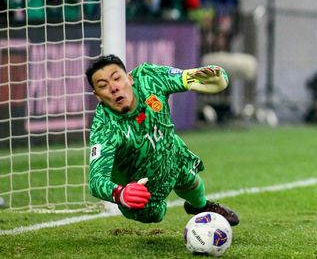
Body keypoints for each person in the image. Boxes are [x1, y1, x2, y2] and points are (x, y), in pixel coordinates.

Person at [85, 54, 240, 225]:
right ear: (97, 95)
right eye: (103, 86)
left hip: (170, 151)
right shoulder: (104, 128)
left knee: (190, 179)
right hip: (141, 185)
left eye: (117, 78)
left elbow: (190, 77)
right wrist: (120, 193)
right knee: (155, 215)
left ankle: (201, 206)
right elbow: (96, 180)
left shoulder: (149, 77)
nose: (113, 88)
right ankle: (148, 204)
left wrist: (216, 78)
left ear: (129, 78)